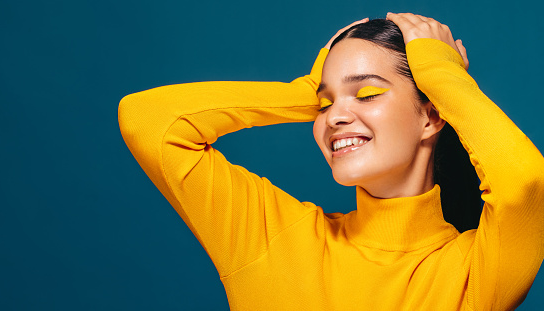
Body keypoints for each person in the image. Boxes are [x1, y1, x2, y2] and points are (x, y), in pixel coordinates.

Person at [118, 12, 544, 310]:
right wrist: (303, 89)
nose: (335, 115)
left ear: (431, 115)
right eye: (324, 104)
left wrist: (442, 76)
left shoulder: (475, 271)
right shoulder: (271, 235)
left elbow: (525, 182)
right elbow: (151, 122)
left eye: (367, 93)